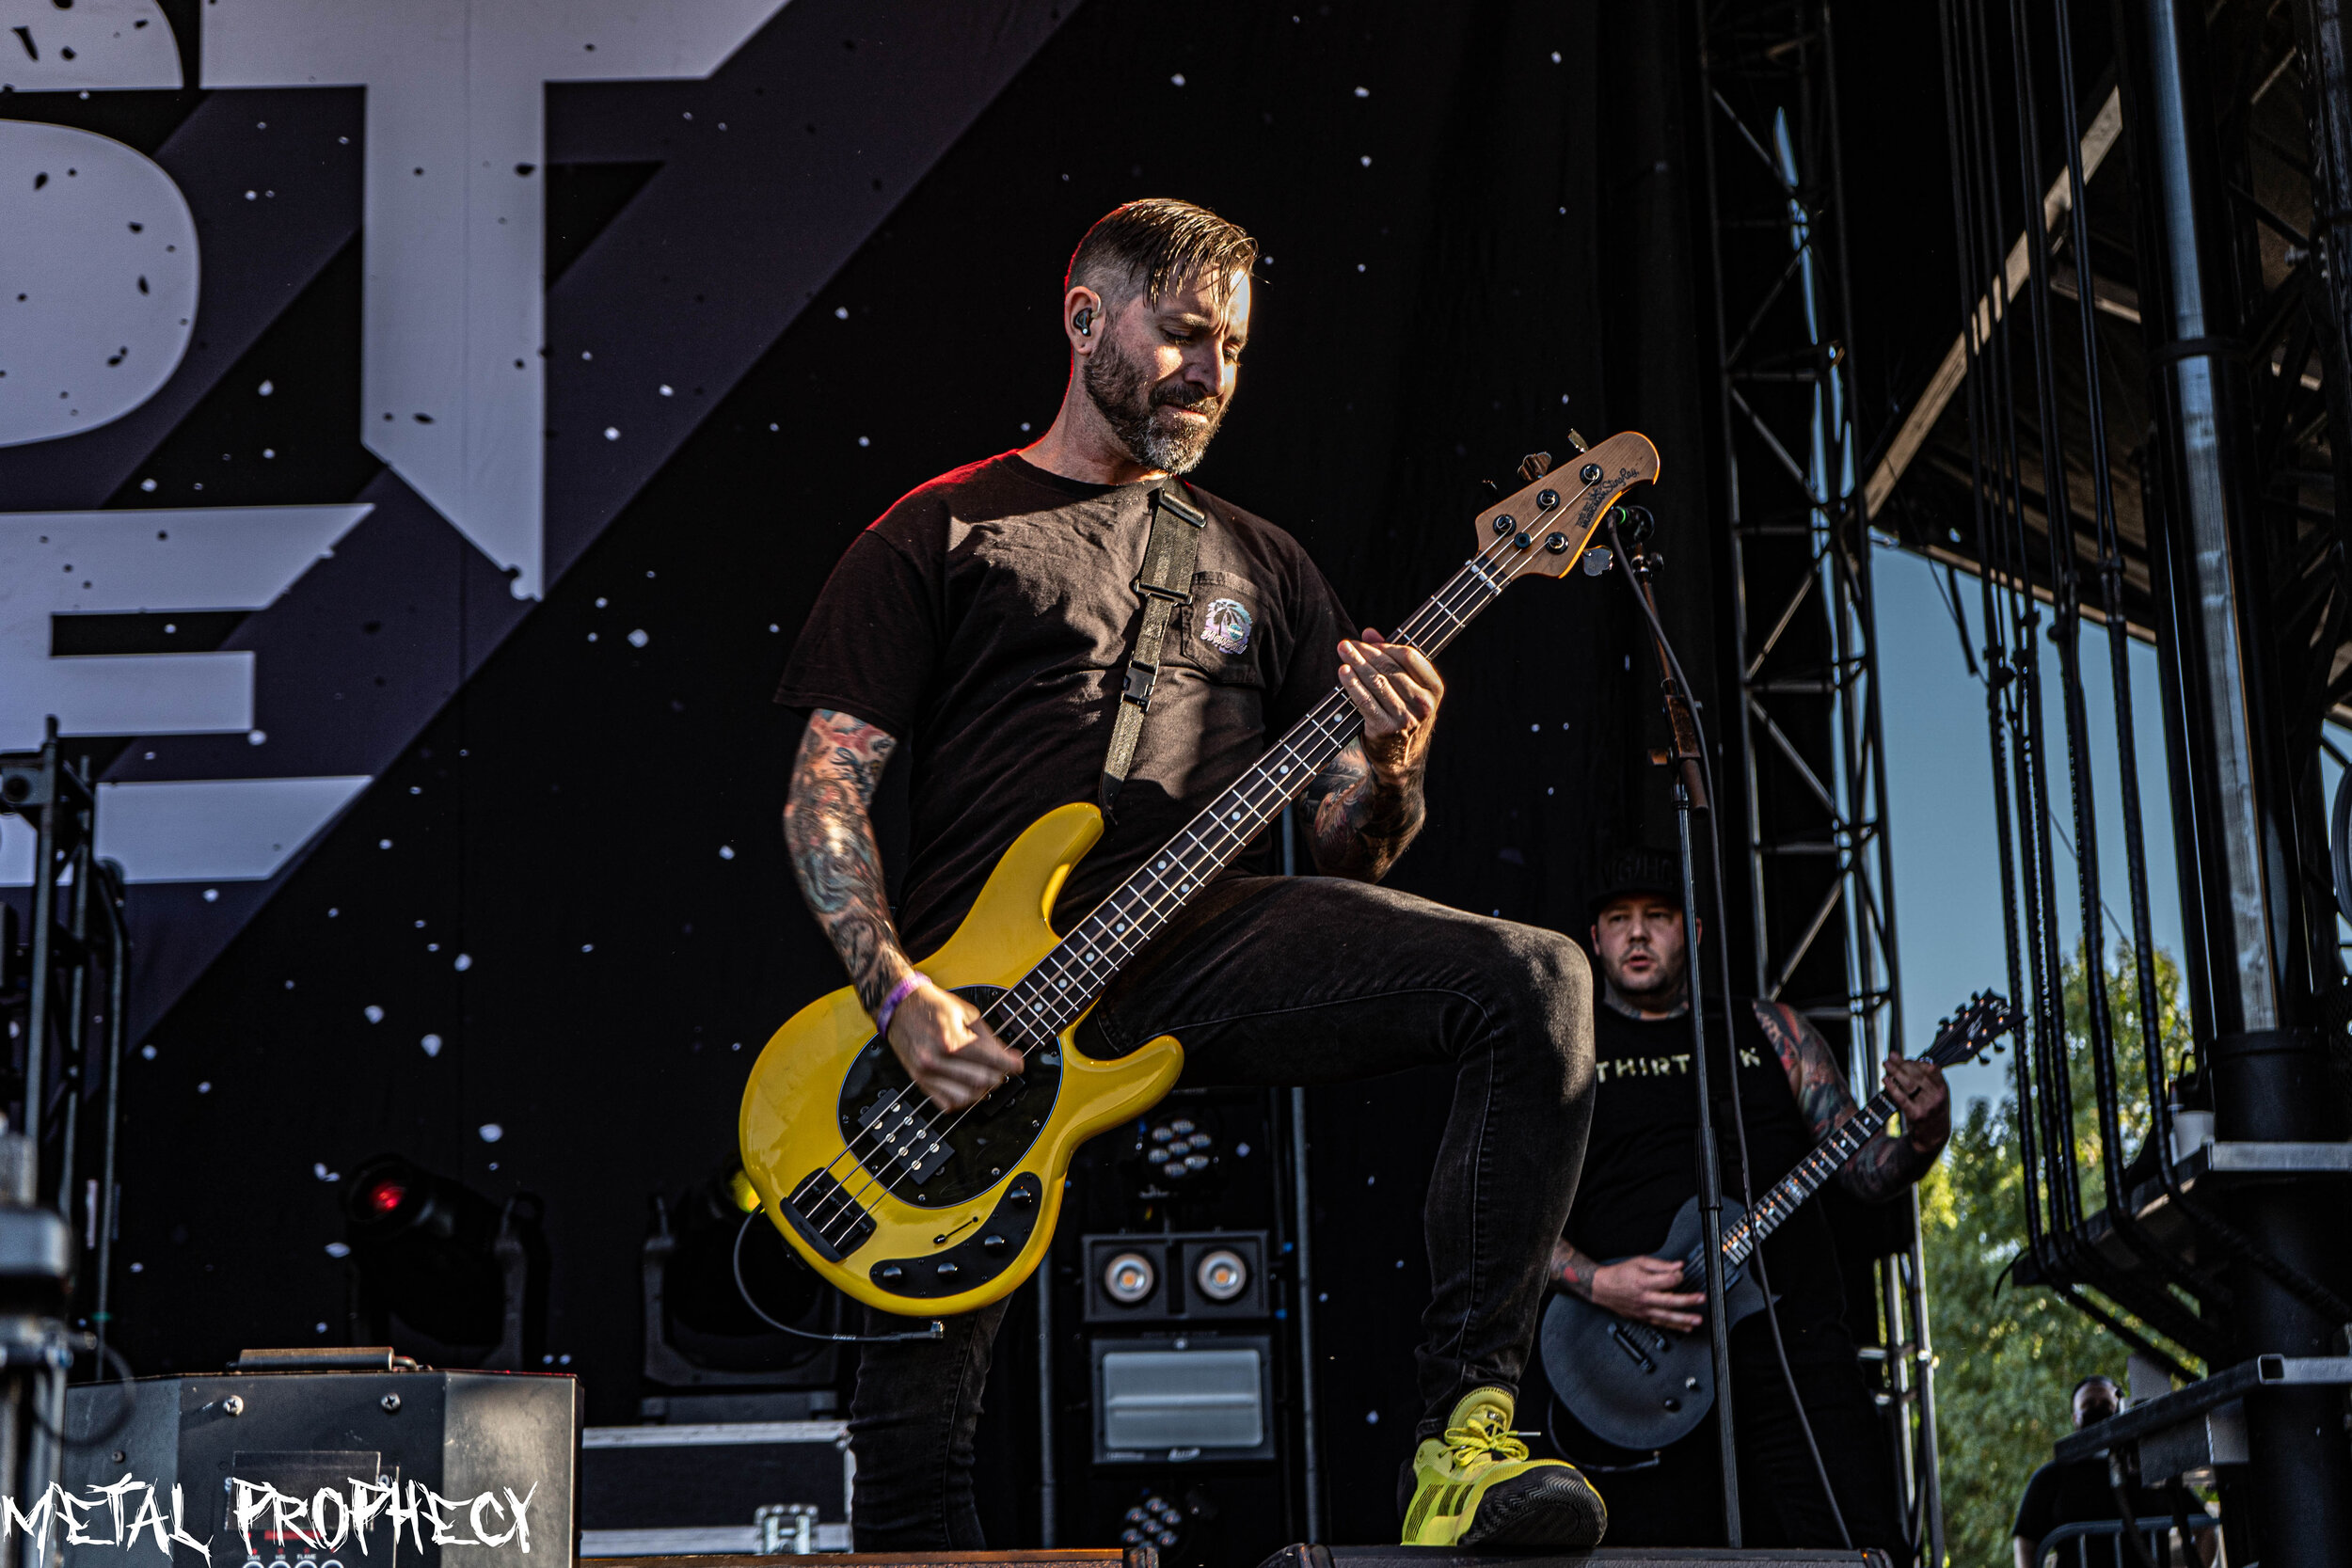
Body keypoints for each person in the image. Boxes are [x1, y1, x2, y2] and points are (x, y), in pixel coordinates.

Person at [772, 198, 1604, 1549]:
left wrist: (1394, 767)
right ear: (1086, 317)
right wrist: (897, 992)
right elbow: (828, 788)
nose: (1214, 374)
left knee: (1534, 979)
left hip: (1198, 948)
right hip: (982, 1013)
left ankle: (1468, 1434)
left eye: (1234, 348)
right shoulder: (941, 531)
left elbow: (1352, 841)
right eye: (1185, 337)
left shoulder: (1260, 562)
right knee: (913, 1448)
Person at [1544, 846, 1950, 1549]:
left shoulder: (1773, 1033)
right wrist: (1601, 1282)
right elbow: (1510, 1220)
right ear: (1595, 939)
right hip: (1638, 1366)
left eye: (1659, 917)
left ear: (1692, 932)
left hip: (1793, 1355)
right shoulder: (1565, 1051)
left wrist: (1924, 1137)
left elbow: (1861, 1172)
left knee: (1854, 1544)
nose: (1638, 934)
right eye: (1620, 919)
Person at [2012, 1376, 2213, 1568]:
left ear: (2120, 1410)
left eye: (2106, 1404)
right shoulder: (2051, 1476)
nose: (2098, 1408)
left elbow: (2204, 1528)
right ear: (2075, 1417)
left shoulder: (2152, 1469)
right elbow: (2025, 1541)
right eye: (2089, 1404)